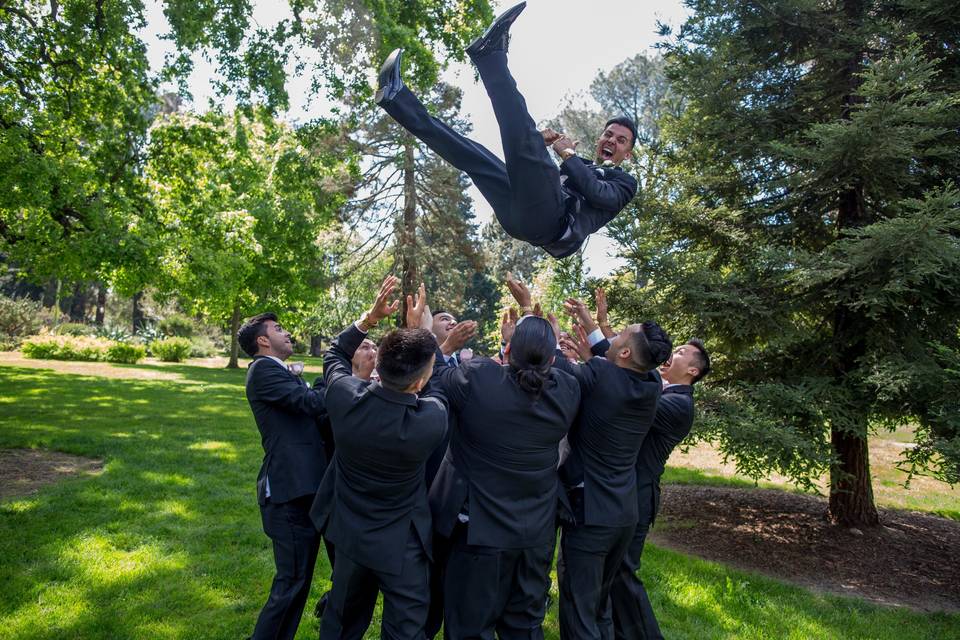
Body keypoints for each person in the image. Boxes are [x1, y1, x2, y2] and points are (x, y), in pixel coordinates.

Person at [375, 1, 638, 259]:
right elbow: (535, 178)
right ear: (600, 138)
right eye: (609, 134)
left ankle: (491, 57)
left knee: (525, 138)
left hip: (548, 224)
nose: (612, 140)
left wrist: (563, 153)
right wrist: (538, 144)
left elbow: (597, 193)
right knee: (473, 156)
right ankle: (396, 98)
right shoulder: (580, 164)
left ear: (627, 154)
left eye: (621, 140)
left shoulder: (625, 184)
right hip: (519, 216)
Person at [415, 287, 581, 639]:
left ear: (508, 349)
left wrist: (439, 342)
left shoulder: (477, 378)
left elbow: (432, 377)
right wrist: (531, 324)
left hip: (480, 536)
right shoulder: (568, 390)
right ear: (550, 355)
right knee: (524, 627)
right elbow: (559, 363)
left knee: (469, 629)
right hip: (535, 535)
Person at [510, 283, 671, 640]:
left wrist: (535, 326)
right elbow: (612, 359)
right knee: (600, 607)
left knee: (580, 611)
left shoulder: (597, 376)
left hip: (592, 515)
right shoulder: (650, 386)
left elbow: (549, 368)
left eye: (621, 334)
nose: (613, 335)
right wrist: (591, 324)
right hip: (625, 514)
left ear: (626, 350)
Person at [310, 275, 448, 640]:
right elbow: (438, 386)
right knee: (406, 629)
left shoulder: (342, 397)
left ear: (378, 363)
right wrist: (423, 332)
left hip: (351, 533)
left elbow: (335, 353)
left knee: (341, 622)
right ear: (418, 383)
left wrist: (369, 319)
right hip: (403, 541)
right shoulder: (430, 420)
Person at [608, 339, 711, 640]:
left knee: (622, 574)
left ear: (692, 370)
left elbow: (635, 396)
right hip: (627, 492)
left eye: (679, 353)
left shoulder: (679, 405)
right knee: (612, 574)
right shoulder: (665, 392)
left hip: (639, 496)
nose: (671, 355)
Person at [238, 313, 329, 640]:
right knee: (290, 582)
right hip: (287, 494)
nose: (287, 332)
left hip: (303, 489)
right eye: (278, 329)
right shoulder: (262, 371)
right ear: (262, 341)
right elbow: (309, 403)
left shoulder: (276, 371)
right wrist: (342, 381)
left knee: (298, 582)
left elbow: (311, 413)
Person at [311, 336, 378, 621]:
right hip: (337, 488)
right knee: (343, 561)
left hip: (375, 488)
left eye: (375, 347)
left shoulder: (386, 385)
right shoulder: (325, 385)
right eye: (364, 346)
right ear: (349, 355)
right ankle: (337, 603)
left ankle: (342, 600)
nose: (372, 351)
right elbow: (327, 426)